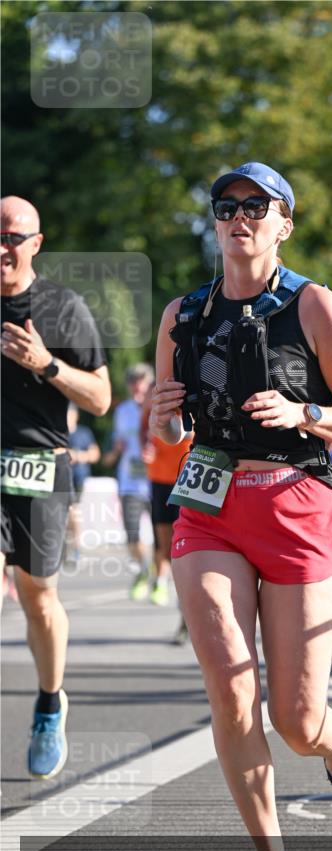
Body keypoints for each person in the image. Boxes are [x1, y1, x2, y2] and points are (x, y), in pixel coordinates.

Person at [149, 161, 332, 851]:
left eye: (258, 205)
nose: (239, 216)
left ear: (284, 223)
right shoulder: (182, 316)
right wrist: (164, 415)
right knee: (229, 684)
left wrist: (305, 415)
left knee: (295, 719)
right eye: (226, 205)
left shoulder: (313, 305)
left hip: (296, 504)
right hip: (210, 505)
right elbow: (166, 429)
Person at [0, 195, 110, 777]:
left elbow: (100, 396)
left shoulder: (63, 307)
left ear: (36, 243)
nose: (2, 247)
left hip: (39, 465)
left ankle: (49, 701)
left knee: (38, 598)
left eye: (13, 236)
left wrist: (46, 364)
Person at [140, 384, 193, 639]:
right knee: (167, 550)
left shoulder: (193, 385)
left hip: (188, 479)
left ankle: (187, 616)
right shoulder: (155, 391)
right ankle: (184, 605)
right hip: (159, 478)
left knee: (187, 551)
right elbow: (144, 426)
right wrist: (145, 447)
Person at [103, 364, 154, 599]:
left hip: (158, 481)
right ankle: (144, 569)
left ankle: (160, 577)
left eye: (141, 381)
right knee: (132, 535)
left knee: (163, 538)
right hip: (130, 482)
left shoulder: (159, 408)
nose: (136, 386)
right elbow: (116, 446)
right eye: (133, 382)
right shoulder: (122, 411)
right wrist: (115, 450)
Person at [65, 402, 101, 564]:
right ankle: (66, 547)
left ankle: (77, 548)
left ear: (75, 415)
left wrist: (78, 456)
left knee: (73, 511)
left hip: (78, 478)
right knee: (62, 514)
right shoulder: (58, 432)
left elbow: (95, 454)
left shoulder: (83, 433)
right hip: (60, 478)